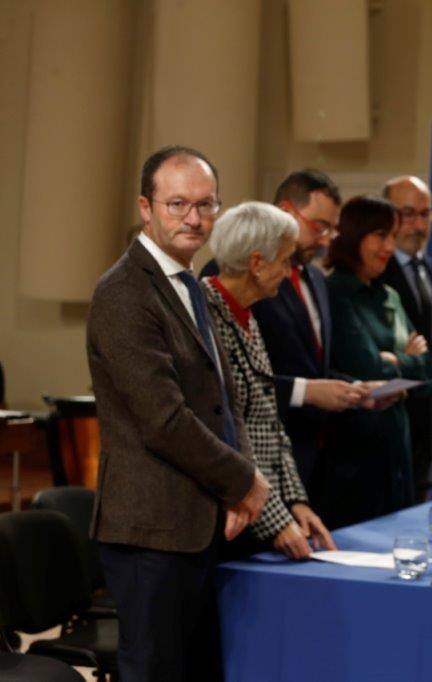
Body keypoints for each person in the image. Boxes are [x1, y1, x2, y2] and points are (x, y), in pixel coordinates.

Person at [87, 146, 270, 681]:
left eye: (206, 204)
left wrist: (242, 480)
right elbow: (163, 421)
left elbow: (225, 399)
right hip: (152, 531)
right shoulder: (123, 292)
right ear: (146, 208)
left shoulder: (193, 285)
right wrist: (244, 481)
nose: (194, 218)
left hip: (204, 522)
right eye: (178, 204)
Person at [201, 169, 369, 491]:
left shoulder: (314, 280)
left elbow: (310, 365)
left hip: (304, 460)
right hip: (247, 471)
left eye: (331, 230)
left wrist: (353, 388)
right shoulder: (222, 287)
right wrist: (306, 391)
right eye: (319, 226)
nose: (326, 240)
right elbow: (233, 396)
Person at [202, 201, 338, 560]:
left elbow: (269, 422)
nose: (288, 272)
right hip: (231, 520)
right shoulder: (204, 316)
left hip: (262, 510)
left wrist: (295, 501)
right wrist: (277, 521)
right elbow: (231, 433)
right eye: (284, 261)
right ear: (256, 263)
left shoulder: (248, 315)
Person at [321, 196, 432, 528]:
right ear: (355, 235)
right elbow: (368, 371)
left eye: (392, 237)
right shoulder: (335, 293)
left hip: (398, 449)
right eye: (381, 235)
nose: (389, 247)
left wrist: (393, 361)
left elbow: (427, 372)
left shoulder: (390, 296)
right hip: (353, 454)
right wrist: (407, 360)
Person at [380, 175, 432, 501]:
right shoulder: (375, 271)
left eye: (424, 214)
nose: (417, 225)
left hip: (426, 417)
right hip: (387, 416)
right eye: (407, 214)